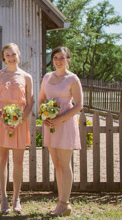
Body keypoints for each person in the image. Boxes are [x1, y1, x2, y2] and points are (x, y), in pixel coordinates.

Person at [0, 43, 34, 215]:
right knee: (2, 159)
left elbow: (30, 103)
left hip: (20, 123)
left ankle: (17, 198)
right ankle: (3, 197)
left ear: (19, 54)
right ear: (3, 57)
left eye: (13, 54)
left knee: (18, 161)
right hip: (1, 122)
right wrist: (2, 120)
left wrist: (19, 120)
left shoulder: (26, 77)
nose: (11, 57)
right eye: (7, 55)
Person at [38, 46, 83, 217]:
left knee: (65, 164)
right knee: (56, 163)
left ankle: (64, 202)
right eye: (55, 57)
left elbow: (79, 105)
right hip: (50, 124)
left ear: (68, 60)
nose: (58, 60)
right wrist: (44, 115)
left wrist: (59, 119)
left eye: (62, 58)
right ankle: (62, 202)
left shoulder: (72, 79)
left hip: (65, 123)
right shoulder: (47, 77)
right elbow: (42, 98)